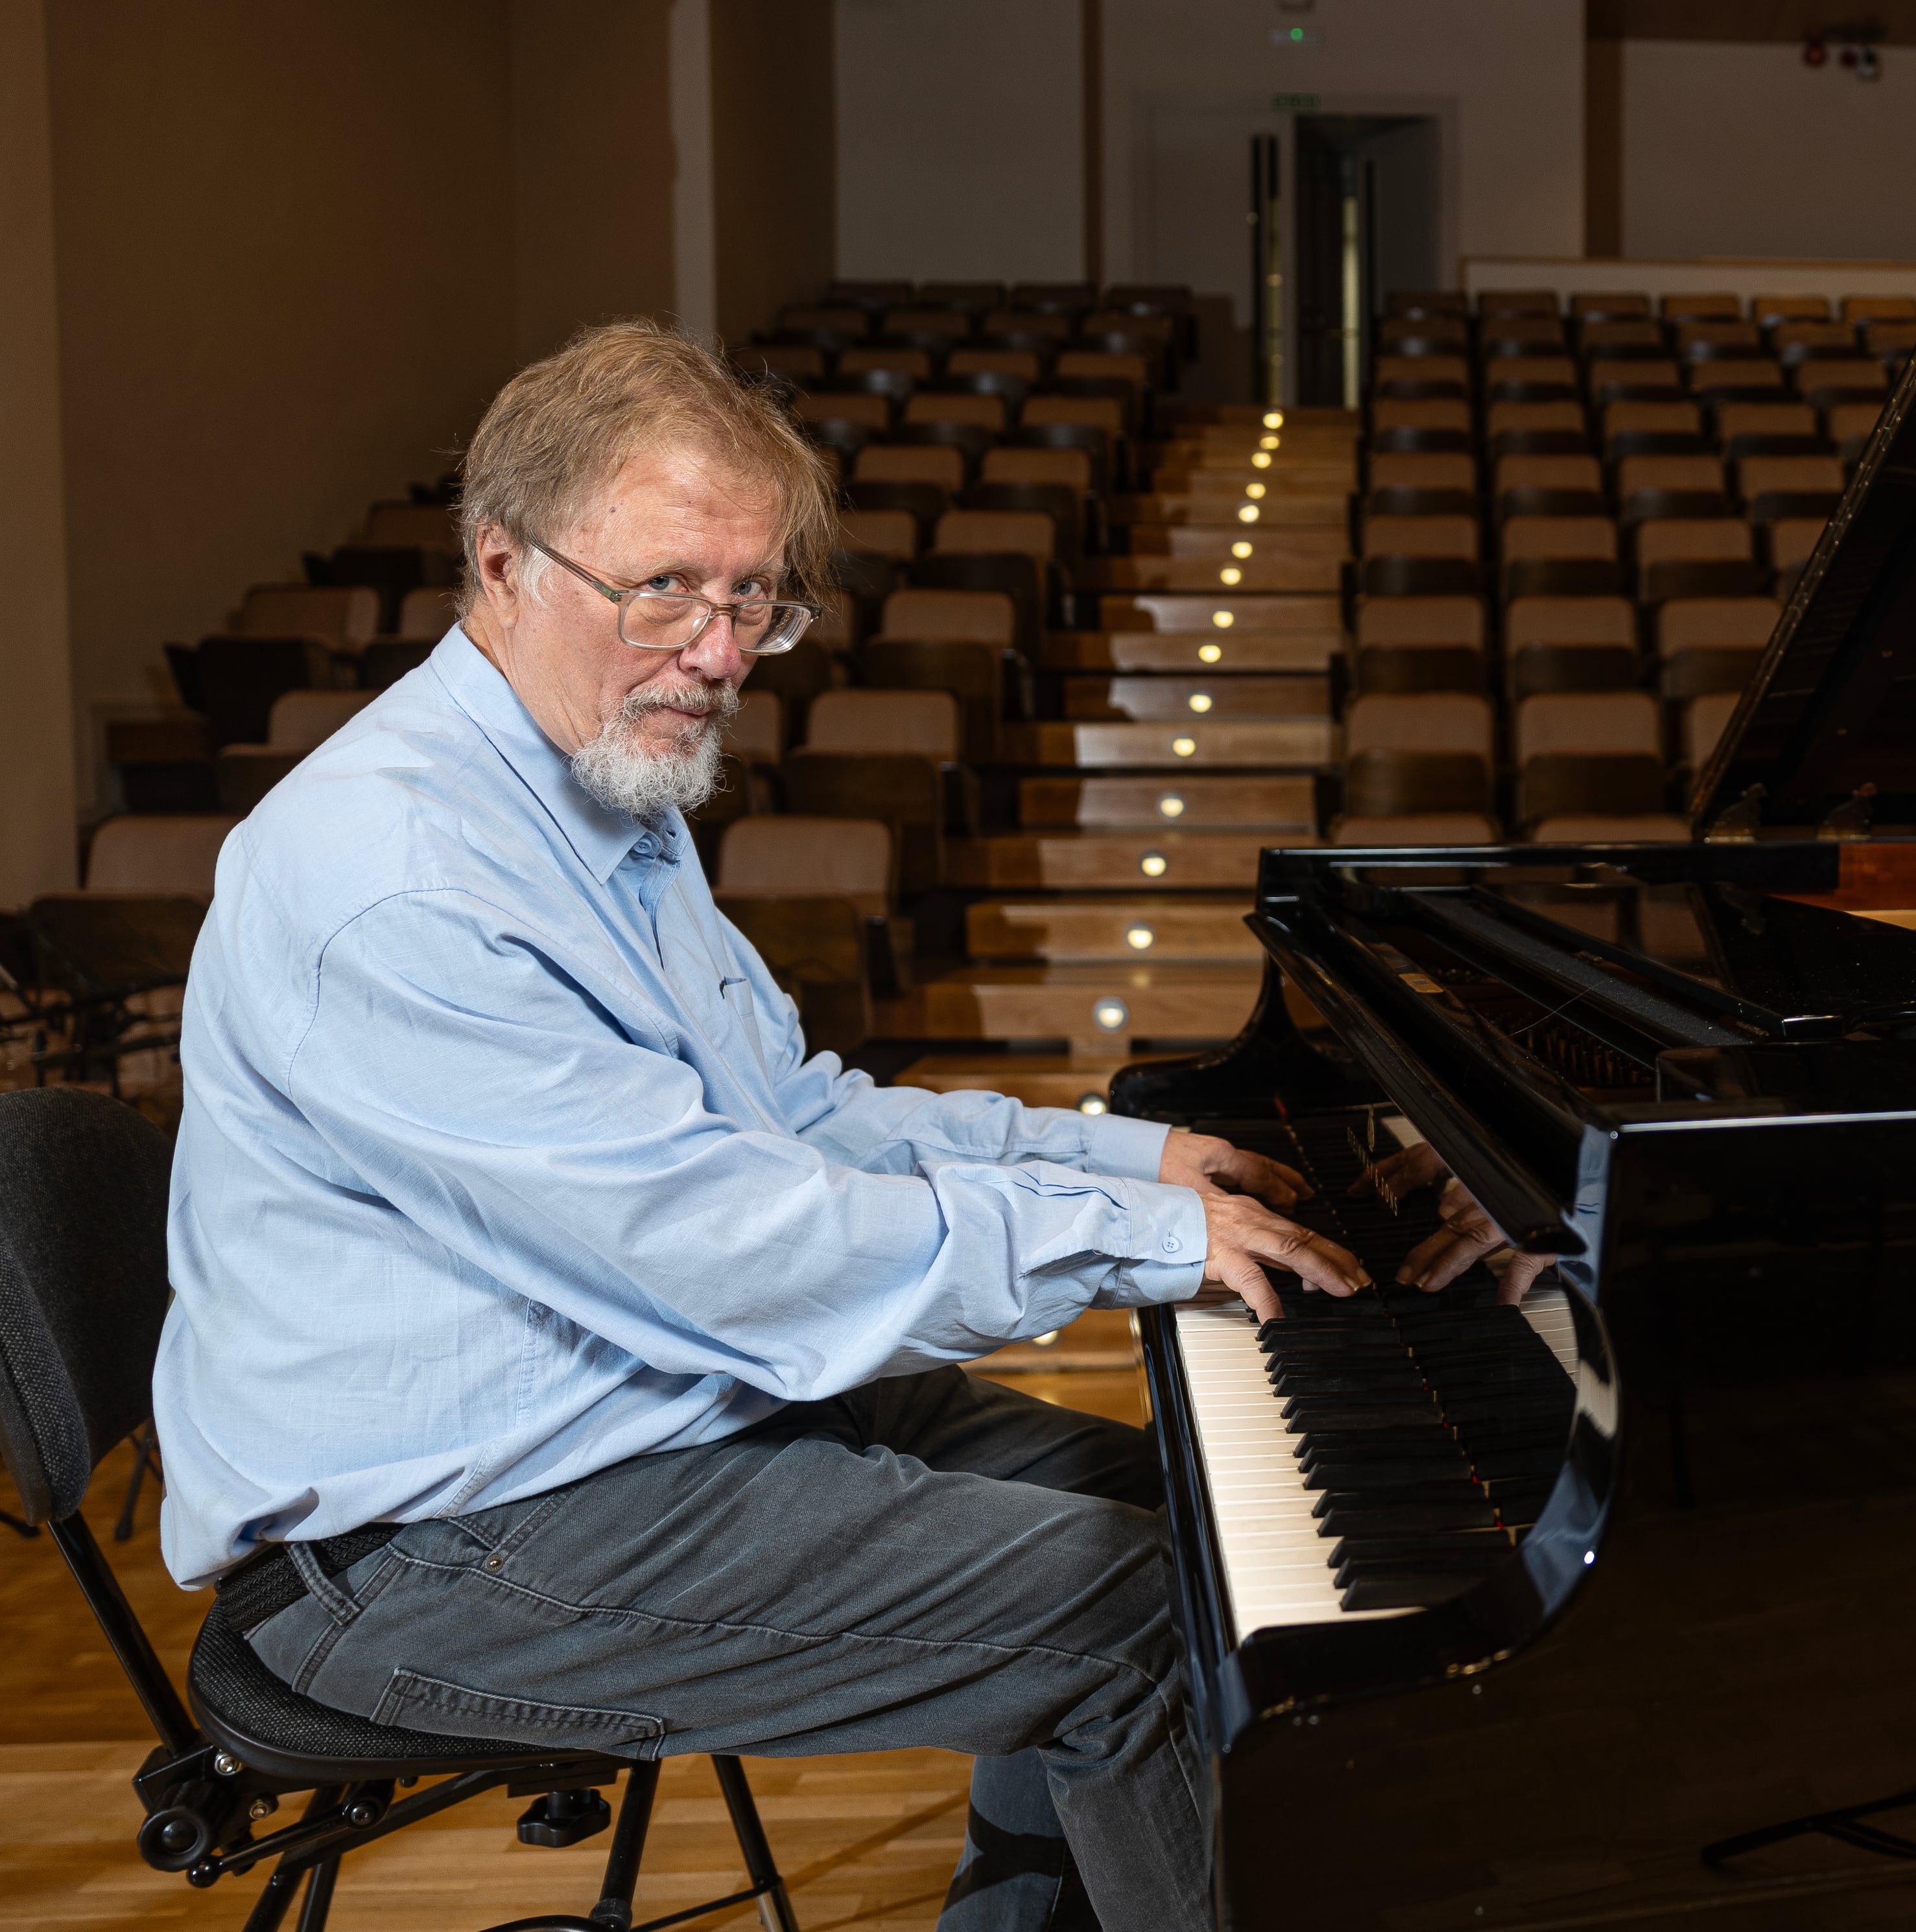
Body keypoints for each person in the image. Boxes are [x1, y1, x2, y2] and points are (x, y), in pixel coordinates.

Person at [153, 320, 1371, 1932]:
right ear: (500, 562)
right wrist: (1140, 1242)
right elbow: (731, 1245)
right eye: (667, 586)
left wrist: (1130, 1157)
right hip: (429, 1546)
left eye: (752, 597)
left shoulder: (596, 790)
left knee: (1199, 1526)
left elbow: (798, 1123)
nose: (721, 650)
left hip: (646, 1417)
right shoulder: (401, 876)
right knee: (1136, 1609)